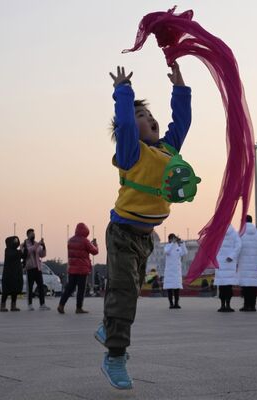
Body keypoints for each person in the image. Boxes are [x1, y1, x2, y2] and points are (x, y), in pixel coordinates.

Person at [96, 63, 192, 391]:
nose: (149, 118)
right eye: (141, 115)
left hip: (145, 238)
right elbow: (123, 123)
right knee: (124, 293)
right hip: (122, 234)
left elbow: (181, 121)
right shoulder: (130, 152)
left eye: (149, 115)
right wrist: (124, 92)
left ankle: (110, 326)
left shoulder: (167, 150)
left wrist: (180, 87)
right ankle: (116, 355)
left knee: (130, 293)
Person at [58, 223, 99, 314]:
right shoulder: (85, 241)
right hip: (82, 268)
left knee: (69, 288)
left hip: (72, 268)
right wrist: (95, 245)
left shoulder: (70, 240)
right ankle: (78, 308)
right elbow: (94, 252)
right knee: (81, 289)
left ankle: (61, 305)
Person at [237, 215, 257, 311]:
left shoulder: (241, 233)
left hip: (244, 263)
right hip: (254, 263)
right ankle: (253, 305)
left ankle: (246, 305)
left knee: (246, 285)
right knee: (253, 285)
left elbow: (237, 247)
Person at [215, 225, 242, 312]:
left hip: (220, 261)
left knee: (222, 286)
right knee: (228, 286)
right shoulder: (234, 233)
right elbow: (239, 245)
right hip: (229, 262)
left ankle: (223, 305)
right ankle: (228, 305)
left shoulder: (218, 231)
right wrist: (232, 256)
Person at [22, 228, 50, 311]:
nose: (33, 235)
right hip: (30, 268)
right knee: (30, 287)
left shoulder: (36, 243)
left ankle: (42, 304)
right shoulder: (24, 244)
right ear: (27, 235)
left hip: (38, 268)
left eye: (34, 234)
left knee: (41, 287)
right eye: (31, 234)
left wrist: (44, 246)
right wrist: (37, 245)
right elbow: (26, 253)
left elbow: (42, 255)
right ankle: (30, 305)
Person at [163, 234, 187, 309]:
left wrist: (182, 244)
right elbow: (167, 252)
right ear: (169, 239)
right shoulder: (167, 246)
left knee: (177, 289)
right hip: (169, 271)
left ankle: (176, 303)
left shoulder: (178, 248)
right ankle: (171, 303)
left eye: (175, 238)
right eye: (172, 238)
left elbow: (185, 253)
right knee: (169, 289)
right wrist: (172, 243)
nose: (174, 240)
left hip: (177, 271)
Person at [1, 236, 23, 312]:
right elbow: (13, 255)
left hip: (16, 274)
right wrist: (21, 251)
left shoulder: (17, 251)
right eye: (15, 241)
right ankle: (2, 306)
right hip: (8, 274)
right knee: (6, 291)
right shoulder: (7, 251)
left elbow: (23, 255)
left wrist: (24, 249)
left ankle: (13, 305)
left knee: (15, 290)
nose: (16, 242)